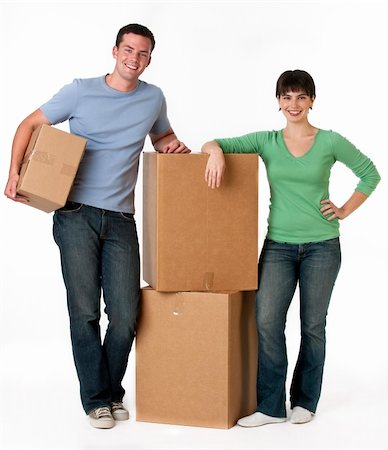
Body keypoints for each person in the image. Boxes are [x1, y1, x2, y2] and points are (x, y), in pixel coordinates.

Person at [4, 23, 189, 429]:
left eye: (142, 54)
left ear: (149, 59)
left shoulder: (153, 98)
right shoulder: (80, 90)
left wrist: (173, 146)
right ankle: (98, 400)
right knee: (84, 311)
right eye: (128, 50)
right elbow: (29, 124)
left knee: (125, 313)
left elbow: (163, 136)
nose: (133, 59)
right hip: (75, 214)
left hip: (122, 218)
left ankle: (110, 391)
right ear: (114, 51)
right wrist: (15, 172)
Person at [202, 70, 380, 427]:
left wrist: (344, 209)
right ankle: (270, 406)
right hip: (278, 247)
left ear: (312, 100)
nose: (293, 104)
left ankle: (305, 401)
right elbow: (212, 142)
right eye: (287, 97)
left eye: (301, 97)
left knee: (313, 325)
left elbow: (370, 173)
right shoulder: (268, 141)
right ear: (278, 101)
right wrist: (216, 155)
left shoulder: (330, 141)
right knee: (267, 321)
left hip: (322, 247)